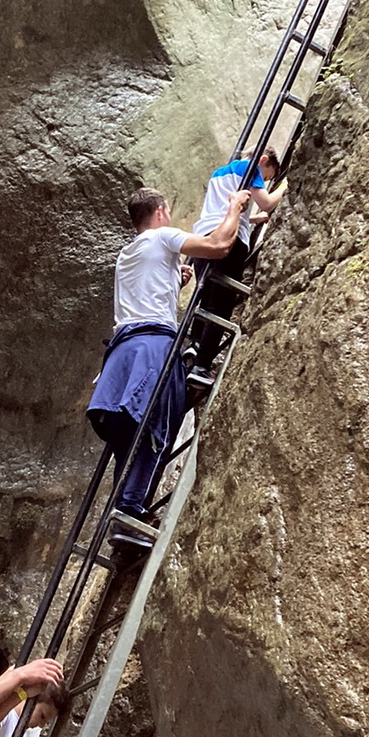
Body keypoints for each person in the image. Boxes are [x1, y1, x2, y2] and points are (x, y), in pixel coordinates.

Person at [87, 185, 248, 532]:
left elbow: (148, 288)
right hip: (153, 346)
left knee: (129, 436)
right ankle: (129, 514)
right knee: (158, 422)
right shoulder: (161, 238)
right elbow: (219, 245)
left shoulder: (127, 254)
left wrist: (177, 276)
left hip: (121, 351)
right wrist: (234, 206)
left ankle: (122, 520)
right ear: (160, 212)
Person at [189, 148, 286, 372]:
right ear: (263, 160)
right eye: (267, 176)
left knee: (205, 296)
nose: (264, 181)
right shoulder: (249, 167)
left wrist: (253, 219)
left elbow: (222, 210)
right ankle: (202, 366)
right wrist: (283, 187)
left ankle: (193, 345)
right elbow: (267, 203)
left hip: (203, 238)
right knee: (221, 306)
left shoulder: (220, 173)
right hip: (230, 240)